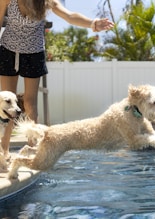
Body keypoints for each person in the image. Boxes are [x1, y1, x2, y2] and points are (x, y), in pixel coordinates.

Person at [0, 0, 114, 157]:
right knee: (8, 103)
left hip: (34, 53)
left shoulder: (47, 2)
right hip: (8, 51)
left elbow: (70, 15)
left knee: (30, 102)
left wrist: (92, 23)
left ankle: (33, 152)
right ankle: (4, 153)